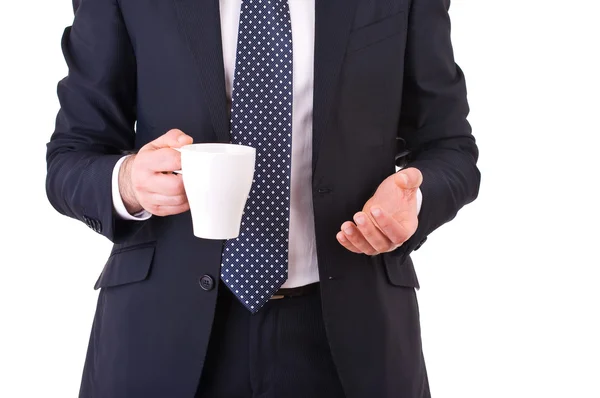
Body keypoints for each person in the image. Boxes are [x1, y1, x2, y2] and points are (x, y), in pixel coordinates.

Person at [46, 0, 480, 396]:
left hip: (353, 333)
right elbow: (72, 157)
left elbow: (451, 147)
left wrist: (413, 200)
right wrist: (129, 183)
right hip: (159, 333)